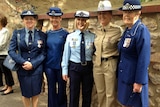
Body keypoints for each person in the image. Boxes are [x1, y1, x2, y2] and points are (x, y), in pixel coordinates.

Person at [8, 10, 46, 107]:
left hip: (36, 68)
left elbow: (43, 53)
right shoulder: (17, 33)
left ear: (35, 21)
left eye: (31, 19)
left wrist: (33, 64)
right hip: (23, 68)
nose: (29, 21)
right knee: (25, 92)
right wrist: (23, 62)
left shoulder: (41, 34)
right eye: (26, 19)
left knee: (36, 91)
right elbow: (11, 50)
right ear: (23, 21)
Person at [117, 0, 151, 107]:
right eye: (125, 12)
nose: (126, 15)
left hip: (134, 80)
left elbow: (144, 58)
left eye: (130, 12)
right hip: (125, 78)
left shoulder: (141, 30)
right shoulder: (128, 30)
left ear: (138, 13)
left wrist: (139, 82)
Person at [61, 10, 95, 107]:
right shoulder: (70, 37)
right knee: (73, 93)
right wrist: (64, 69)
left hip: (88, 68)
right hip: (74, 67)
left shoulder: (92, 36)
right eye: (79, 19)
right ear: (76, 21)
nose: (81, 22)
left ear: (87, 22)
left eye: (84, 20)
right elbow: (66, 54)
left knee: (87, 94)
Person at [93, 0, 123, 107]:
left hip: (110, 64)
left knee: (110, 94)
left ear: (110, 15)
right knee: (100, 92)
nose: (101, 16)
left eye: (104, 13)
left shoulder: (117, 30)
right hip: (97, 65)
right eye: (100, 13)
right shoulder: (96, 30)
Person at [45, 7, 69, 107]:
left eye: (56, 17)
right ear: (49, 18)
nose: (54, 19)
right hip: (49, 66)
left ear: (60, 19)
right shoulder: (47, 34)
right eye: (52, 17)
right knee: (51, 89)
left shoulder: (65, 34)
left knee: (62, 89)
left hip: (61, 67)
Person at [0, 14, 14, 95]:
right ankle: (6, 85)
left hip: (5, 54)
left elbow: (2, 44)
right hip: (0, 54)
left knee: (7, 71)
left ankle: (10, 87)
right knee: (3, 71)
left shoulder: (6, 31)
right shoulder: (0, 31)